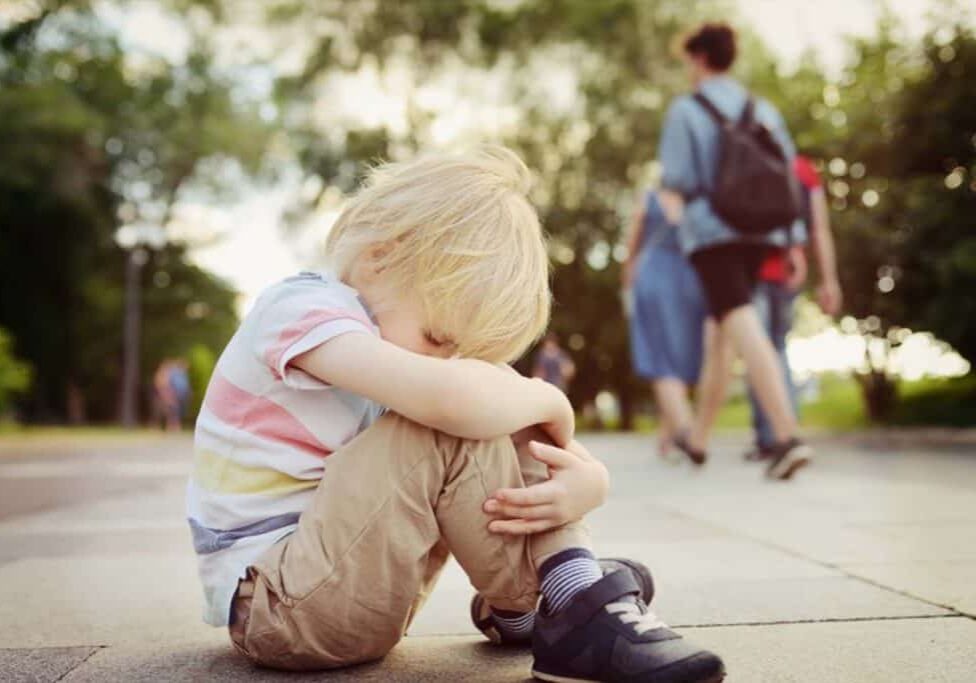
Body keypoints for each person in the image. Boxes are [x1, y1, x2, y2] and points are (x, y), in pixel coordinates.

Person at [188, 147, 725, 682]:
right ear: (381, 257)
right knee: (456, 409)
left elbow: (479, 399)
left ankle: (548, 593)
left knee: (485, 400)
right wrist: (550, 398)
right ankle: (560, 597)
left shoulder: (398, 340)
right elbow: (449, 399)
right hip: (281, 603)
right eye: (439, 337)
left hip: (349, 584)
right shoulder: (299, 310)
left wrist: (588, 483)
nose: (443, 357)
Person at [659, 22, 811, 479]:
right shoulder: (760, 107)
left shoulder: (687, 109)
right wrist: (793, 241)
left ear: (700, 58)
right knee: (720, 335)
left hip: (712, 233)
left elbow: (678, 179)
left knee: (741, 322)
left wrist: (673, 207)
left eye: (688, 59)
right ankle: (699, 441)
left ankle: (787, 437)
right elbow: (788, 177)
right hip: (761, 230)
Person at [745, 154, 843, 460]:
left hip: (749, 268)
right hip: (788, 269)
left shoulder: (747, 162)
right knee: (777, 347)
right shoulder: (803, 169)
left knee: (756, 348)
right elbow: (819, 228)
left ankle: (772, 437)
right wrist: (829, 279)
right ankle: (784, 432)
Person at [622, 188, 707, 457]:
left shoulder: (649, 197)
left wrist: (626, 286)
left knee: (661, 356)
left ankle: (684, 430)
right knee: (680, 356)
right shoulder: (698, 199)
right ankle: (668, 436)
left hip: (654, 275)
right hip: (690, 278)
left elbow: (633, 244)